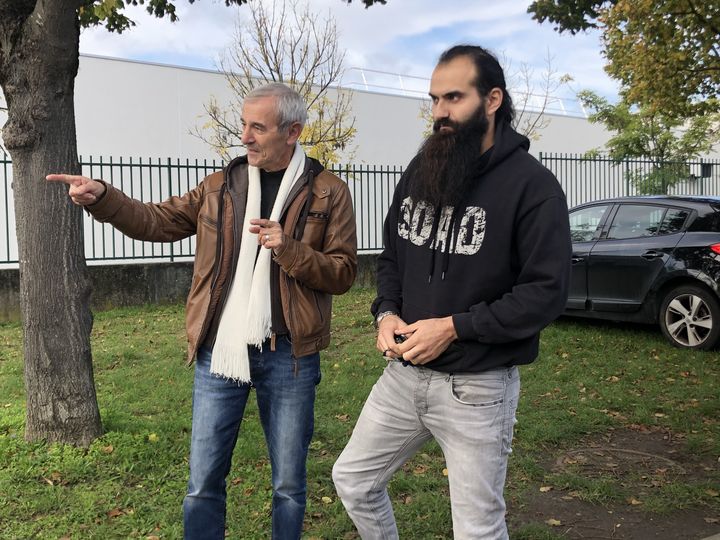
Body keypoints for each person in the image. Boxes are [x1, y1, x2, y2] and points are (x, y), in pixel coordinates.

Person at [47, 83, 358, 540]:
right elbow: (157, 219)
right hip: (220, 351)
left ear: (293, 131)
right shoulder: (221, 186)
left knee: (289, 486)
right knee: (202, 483)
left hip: (289, 355)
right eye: (243, 124)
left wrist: (289, 248)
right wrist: (103, 198)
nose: (245, 136)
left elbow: (344, 272)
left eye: (258, 127)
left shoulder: (329, 192)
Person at [332, 45, 571, 539]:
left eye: (454, 97)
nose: (439, 111)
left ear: (492, 100)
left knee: (477, 529)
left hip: (477, 388)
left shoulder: (533, 187)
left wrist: (455, 327)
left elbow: (546, 293)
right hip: (403, 377)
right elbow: (394, 256)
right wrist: (386, 312)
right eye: (434, 98)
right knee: (353, 479)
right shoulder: (423, 169)